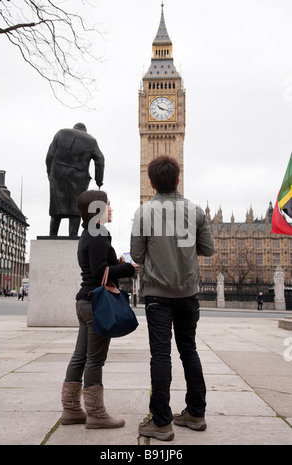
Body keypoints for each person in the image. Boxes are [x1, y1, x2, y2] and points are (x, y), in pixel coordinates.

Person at [130, 155, 215, 441]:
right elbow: (208, 249)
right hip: (189, 294)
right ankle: (196, 412)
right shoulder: (196, 211)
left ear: (151, 183)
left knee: (161, 355)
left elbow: (138, 256)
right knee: (189, 350)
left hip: (157, 295)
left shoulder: (143, 213)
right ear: (178, 180)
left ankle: (162, 422)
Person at [60, 189, 139, 429]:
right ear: (98, 208)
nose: (111, 208)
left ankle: (71, 409)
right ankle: (96, 414)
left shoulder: (89, 232)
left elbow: (99, 267)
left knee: (81, 356)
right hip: (95, 302)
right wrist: (128, 269)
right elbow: (98, 273)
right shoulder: (97, 234)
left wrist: (116, 264)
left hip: (85, 301)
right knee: (95, 359)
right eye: (108, 204)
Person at [46, 123, 105, 237]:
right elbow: (100, 159)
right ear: (85, 130)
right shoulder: (90, 140)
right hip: (79, 176)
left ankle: (52, 235)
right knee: (75, 207)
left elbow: (49, 156)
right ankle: (73, 235)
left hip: (57, 174)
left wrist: (50, 174)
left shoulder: (60, 133)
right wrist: (99, 179)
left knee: (56, 206)